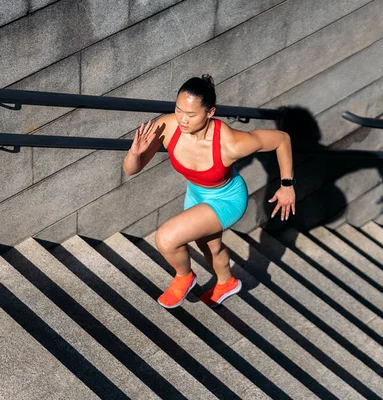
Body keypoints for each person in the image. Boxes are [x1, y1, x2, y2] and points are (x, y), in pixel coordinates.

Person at [123, 75, 295, 309]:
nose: (182, 120)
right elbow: (131, 170)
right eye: (178, 109)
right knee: (210, 246)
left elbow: (282, 139)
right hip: (196, 193)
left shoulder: (231, 143)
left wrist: (287, 185)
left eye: (191, 115)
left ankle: (184, 277)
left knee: (166, 239)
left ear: (210, 112)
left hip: (226, 199)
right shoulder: (169, 126)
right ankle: (227, 282)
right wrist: (134, 154)